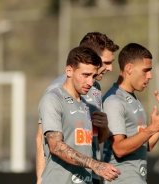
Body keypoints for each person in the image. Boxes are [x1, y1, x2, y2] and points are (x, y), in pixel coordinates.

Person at [36, 32, 120, 184]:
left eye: (93, 76)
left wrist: (104, 127)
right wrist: (40, 179)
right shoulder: (55, 93)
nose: (110, 68)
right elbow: (45, 140)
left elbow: (92, 140)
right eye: (106, 62)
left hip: (89, 176)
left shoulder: (92, 92)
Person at [102, 43, 159, 183]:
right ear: (129, 68)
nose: (150, 76)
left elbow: (147, 145)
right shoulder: (114, 101)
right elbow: (118, 148)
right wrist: (152, 128)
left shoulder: (134, 100)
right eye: (146, 70)